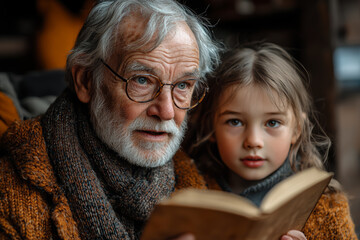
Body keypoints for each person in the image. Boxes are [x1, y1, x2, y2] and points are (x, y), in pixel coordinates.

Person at [0, 0, 306, 239]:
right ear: (85, 81)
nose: (167, 111)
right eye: (143, 80)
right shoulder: (11, 191)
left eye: (184, 85)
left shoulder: (202, 175)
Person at [185, 42, 358, 239]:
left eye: (273, 123)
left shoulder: (326, 207)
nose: (253, 141)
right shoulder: (189, 194)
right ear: (211, 127)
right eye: (234, 122)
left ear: (296, 130)